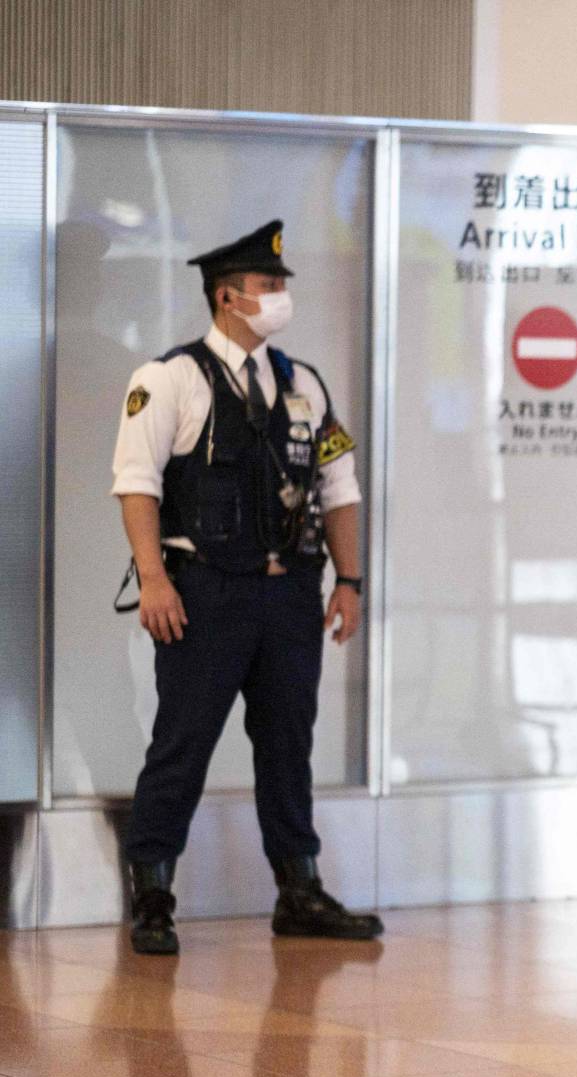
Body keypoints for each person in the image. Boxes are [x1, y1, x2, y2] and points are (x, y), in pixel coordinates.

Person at [113, 219, 382, 956]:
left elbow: (340, 485)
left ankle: (299, 888)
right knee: (184, 741)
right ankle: (154, 895)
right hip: (204, 593)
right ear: (227, 296)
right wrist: (156, 580)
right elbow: (135, 486)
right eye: (268, 286)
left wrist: (349, 579)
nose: (280, 296)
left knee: (289, 742)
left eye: (282, 284)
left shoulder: (305, 383)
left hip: (291, 595)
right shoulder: (168, 380)